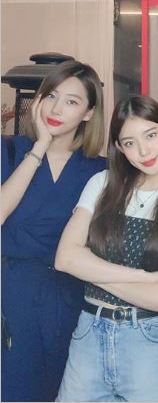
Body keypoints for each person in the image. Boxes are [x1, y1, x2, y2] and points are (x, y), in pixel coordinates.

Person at [54, 95, 158, 402]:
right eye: (129, 143)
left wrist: (90, 271)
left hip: (148, 341)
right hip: (88, 333)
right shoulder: (102, 184)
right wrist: (143, 277)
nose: (143, 151)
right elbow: (65, 258)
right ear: (119, 147)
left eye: (150, 135)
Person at [1, 60, 106, 402]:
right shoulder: (10, 151)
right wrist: (39, 147)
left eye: (72, 101)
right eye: (51, 96)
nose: (57, 109)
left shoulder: (100, 170)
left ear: (89, 113)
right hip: (13, 296)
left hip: (72, 298)